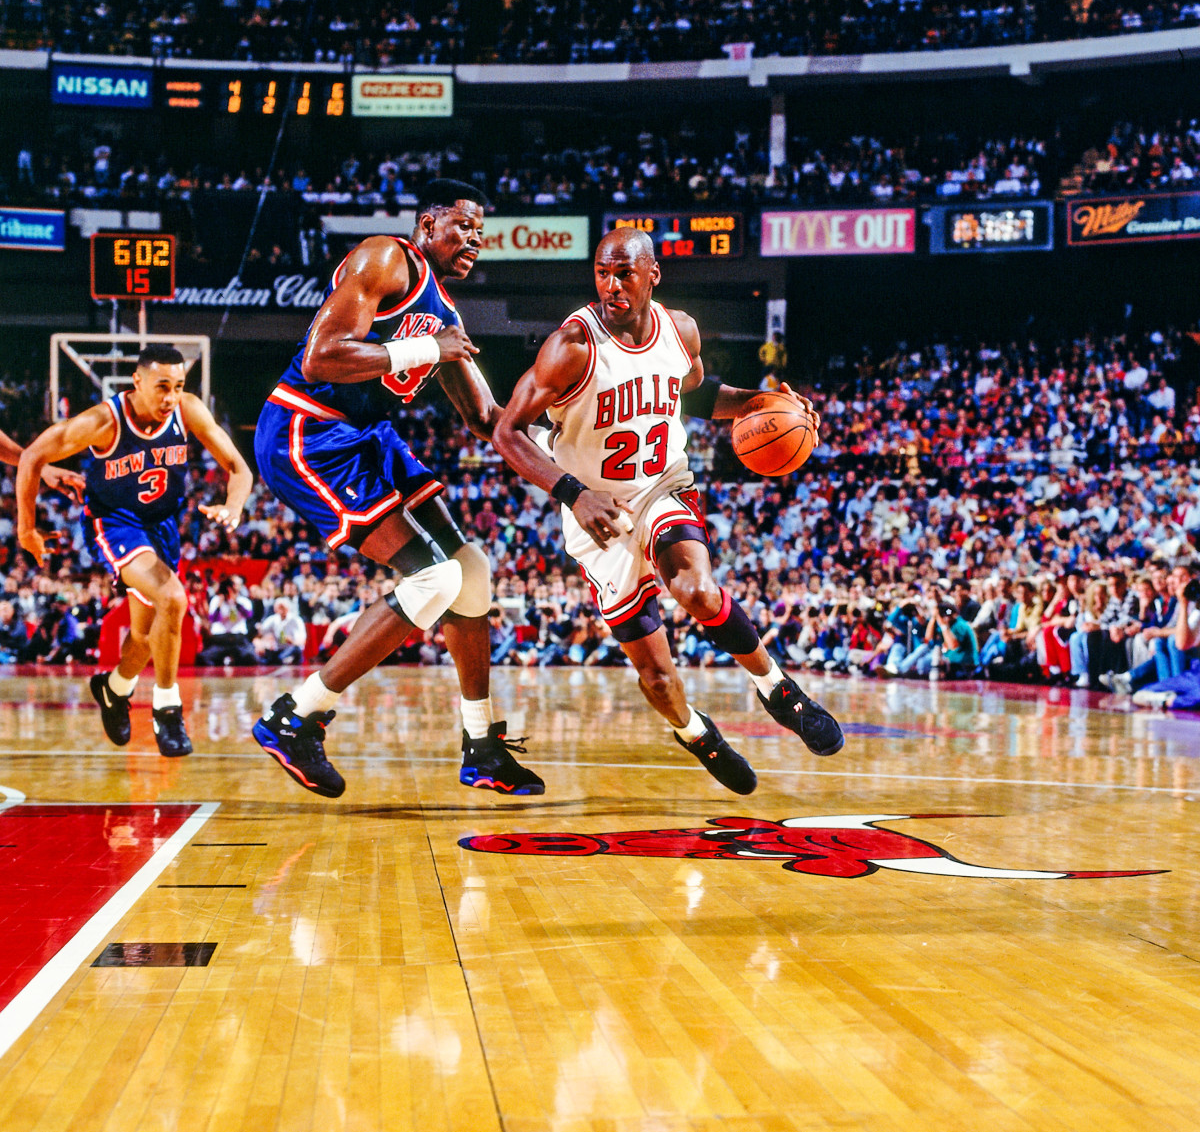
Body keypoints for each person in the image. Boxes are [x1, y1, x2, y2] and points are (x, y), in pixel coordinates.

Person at [492, 228, 843, 796]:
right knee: (656, 676)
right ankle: (694, 732)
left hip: (661, 485)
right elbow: (507, 432)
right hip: (595, 513)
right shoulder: (572, 346)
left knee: (698, 590)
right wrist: (572, 494)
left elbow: (698, 398)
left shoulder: (679, 330)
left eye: (624, 273)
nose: (612, 285)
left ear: (652, 274)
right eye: (603, 272)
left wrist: (762, 402)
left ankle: (778, 687)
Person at [251, 179, 543, 799]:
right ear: (429, 223)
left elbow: (489, 420)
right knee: (432, 580)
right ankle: (295, 717)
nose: (474, 242)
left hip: (366, 434)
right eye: (464, 227)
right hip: (308, 427)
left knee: (473, 570)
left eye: (481, 235)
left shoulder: (448, 317)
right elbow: (322, 358)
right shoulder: (387, 257)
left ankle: (481, 745)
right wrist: (423, 348)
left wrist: (562, 416)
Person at [17, 344, 253, 756]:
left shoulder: (188, 410)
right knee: (173, 598)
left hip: (162, 526)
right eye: (162, 387)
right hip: (116, 523)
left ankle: (114, 689)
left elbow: (239, 468)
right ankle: (167, 706)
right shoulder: (102, 422)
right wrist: (26, 529)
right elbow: (33, 455)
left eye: (178, 386)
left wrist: (233, 505)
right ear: (137, 382)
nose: (171, 397)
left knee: (144, 637)